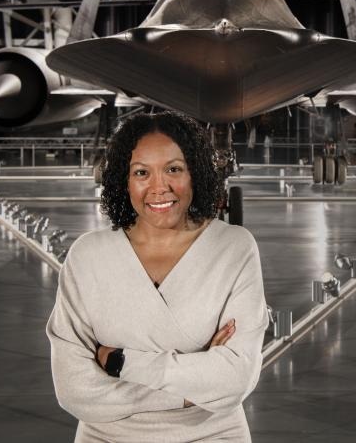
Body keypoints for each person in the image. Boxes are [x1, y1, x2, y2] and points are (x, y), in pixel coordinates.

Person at [46, 111, 269, 442]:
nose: (159, 187)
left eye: (174, 169)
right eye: (141, 173)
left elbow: (235, 379)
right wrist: (189, 389)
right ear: (125, 179)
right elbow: (74, 389)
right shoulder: (88, 255)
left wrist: (119, 363)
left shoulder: (233, 248)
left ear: (195, 173)